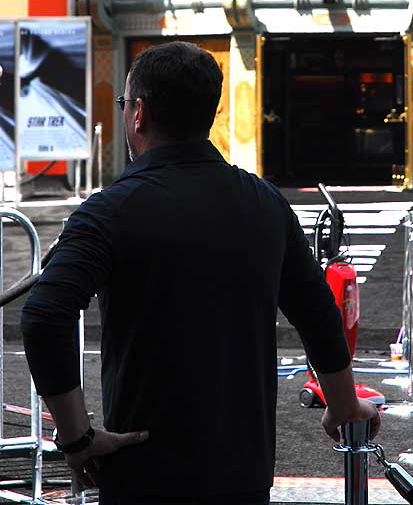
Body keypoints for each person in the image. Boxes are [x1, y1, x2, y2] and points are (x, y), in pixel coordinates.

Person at [21, 41, 380, 505]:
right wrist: (344, 403)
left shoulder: (109, 211)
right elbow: (317, 313)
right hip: (243, 470)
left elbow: (44, 317)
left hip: (143, 469)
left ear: (138, 113)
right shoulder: (266, 204)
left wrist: (76, 438)